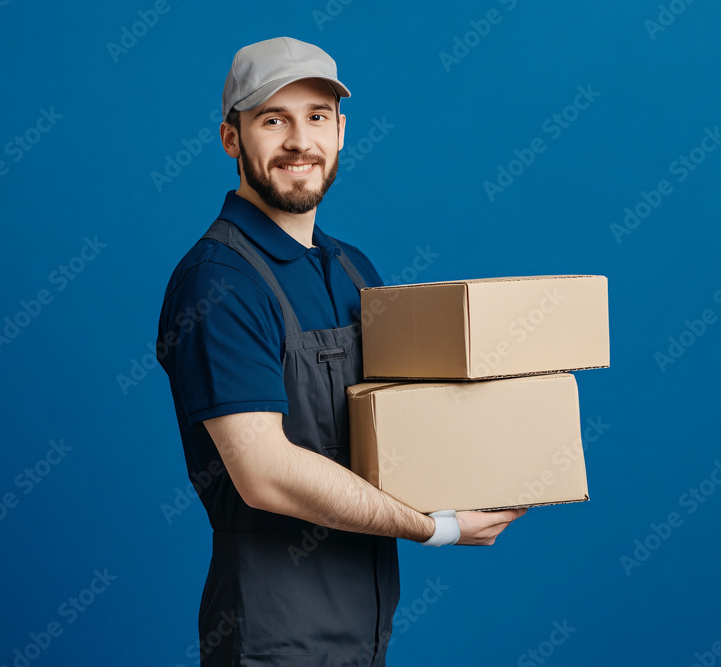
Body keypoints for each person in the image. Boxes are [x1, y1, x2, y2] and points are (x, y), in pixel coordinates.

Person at [157, 36, 525, 666]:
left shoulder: (354, 270)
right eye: (273, 120)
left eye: (317, 117)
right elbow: (265, 473)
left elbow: (401, 430)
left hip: (367, 630)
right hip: (272, 641)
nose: (300, 140)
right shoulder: (219, 282)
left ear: (342, 132)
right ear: (231, 139)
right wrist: (437, 527)